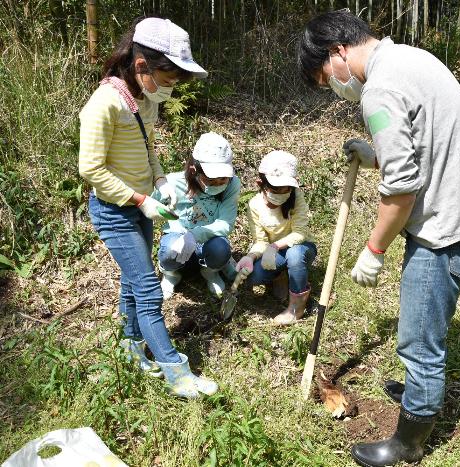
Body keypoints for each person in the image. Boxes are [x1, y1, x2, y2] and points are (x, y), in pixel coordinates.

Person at [297, 10, 460, 466]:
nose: (333, 87)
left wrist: (373, 250)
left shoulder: (380, 92)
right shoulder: (409, 58)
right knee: (425, 327)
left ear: (338, 52)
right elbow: (422, 143)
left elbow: (402, 189)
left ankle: (409, 441)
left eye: (325, 76)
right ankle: (419, 392)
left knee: (418, 340)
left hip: (446, 231)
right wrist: (376, 156)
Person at [78, 17, 217, 399]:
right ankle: (176, 371)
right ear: (142, 66)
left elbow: (147, 148)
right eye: (168, 79)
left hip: (144, 205)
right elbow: (90, 168)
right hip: (114, 210)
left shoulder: (142, 98)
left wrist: (158, 183)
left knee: (131, 283)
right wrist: (139, 199)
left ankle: (131, 347)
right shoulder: (104, 103)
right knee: (148, 288)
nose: (170, 89)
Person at [155, 132, 241, 300]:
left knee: (220, 249)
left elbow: (225, 224)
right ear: (194, 170)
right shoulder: (173, 182)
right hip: (178, 237)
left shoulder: (233, 184)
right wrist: (177, 229)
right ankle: (172, 274)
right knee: (168, 251)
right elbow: (151, 207)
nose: (218, 184)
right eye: (211, 180)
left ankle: (210, 272)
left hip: (209, 240)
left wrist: (194, 234)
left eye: (222, 179)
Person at [235, 151, 317, 326]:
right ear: (261, 183)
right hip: (274, 250)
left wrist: (276, 246)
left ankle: (296, 308)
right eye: (276, 189)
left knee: (294, 255)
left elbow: (300, 233)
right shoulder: (255, 205)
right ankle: (282, 275)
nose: (281, 193)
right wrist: (250, 257)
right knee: (254, 276)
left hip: (302, 247)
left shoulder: (296, 196)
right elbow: (261, 240)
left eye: (285, 189)